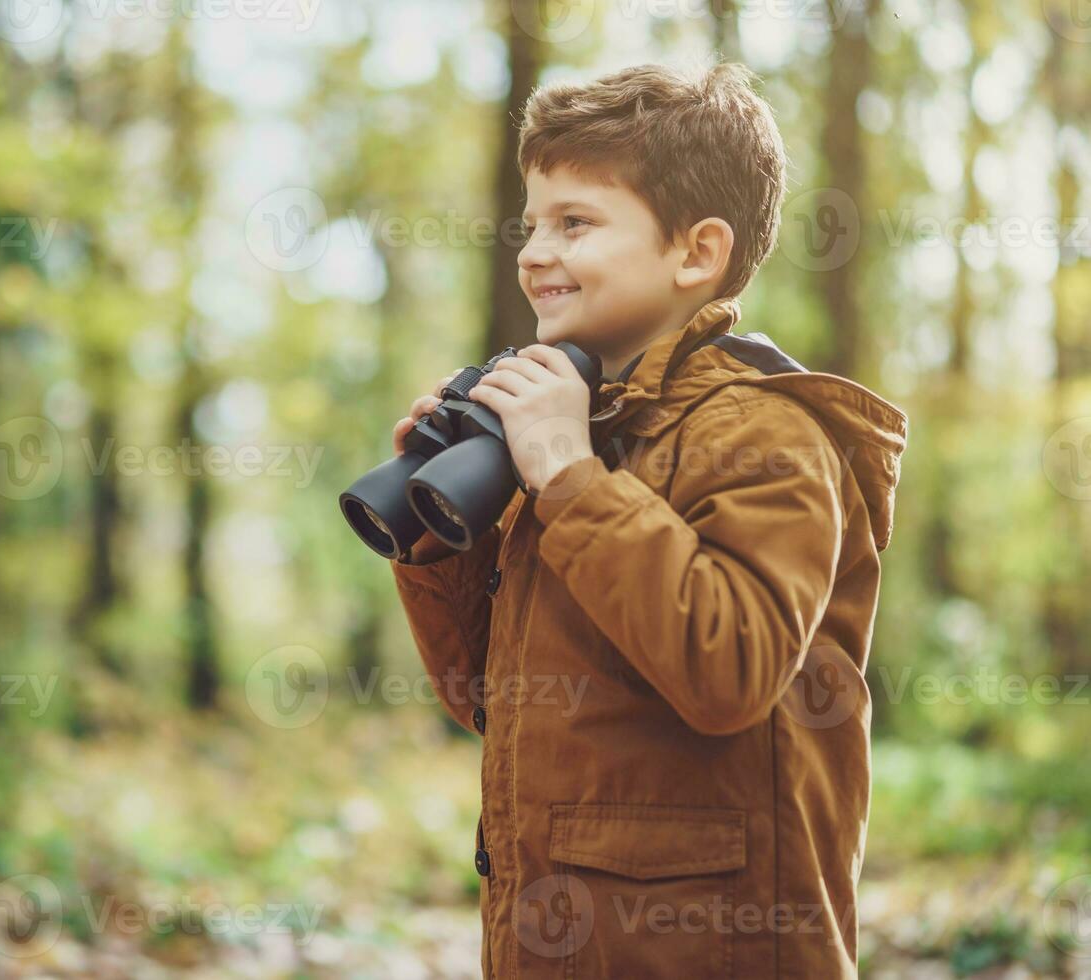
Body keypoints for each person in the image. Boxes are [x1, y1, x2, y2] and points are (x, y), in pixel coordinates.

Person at [388, 62, 908, 979]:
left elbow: (731, 668)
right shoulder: (582, 438)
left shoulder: (767, 435)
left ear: (695, 252)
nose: (532, 251)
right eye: (531, 223)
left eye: (575, 222)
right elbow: (491, 704)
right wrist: (438, 543)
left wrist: (572, 479)